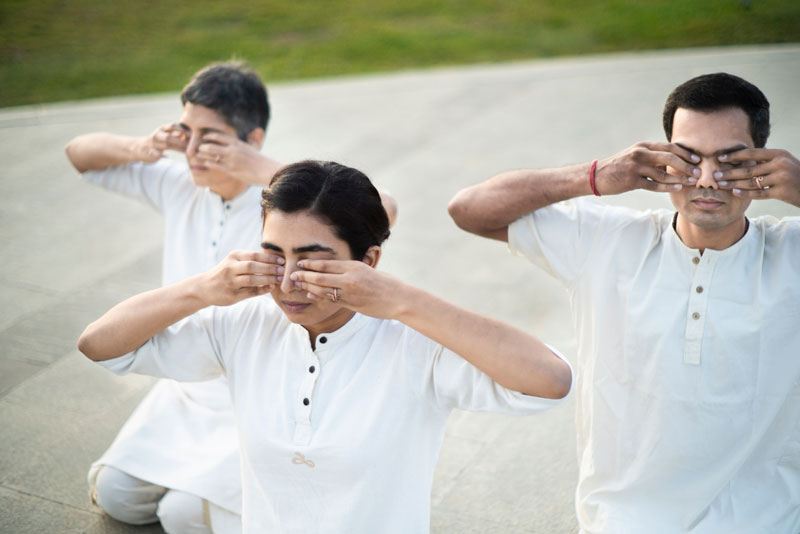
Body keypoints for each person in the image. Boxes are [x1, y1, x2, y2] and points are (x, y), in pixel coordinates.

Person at [77, 159, 573, 533]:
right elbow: (100, 345)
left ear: (368, 260)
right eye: (274, 255)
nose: (289, 281)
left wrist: (401, 299)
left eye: (312, 261)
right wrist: (201, 289)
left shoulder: (416, 341)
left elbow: (549, 380)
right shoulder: (245, 324)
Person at [447, 72, 800, 533]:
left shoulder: (790, 252)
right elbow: (468, 209)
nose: (708, 181)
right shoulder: (607, 242)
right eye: (689, 159)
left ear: (764, 162)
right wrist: (596, 175)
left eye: (731, 162)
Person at [65, 62, 397, 533]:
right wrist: (145, 147)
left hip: (255, 381)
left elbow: (381, 206)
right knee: (117, 496)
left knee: (181, 514)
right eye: (187, 134)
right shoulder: (179, 183)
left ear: (252, 138)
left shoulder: (282, 210)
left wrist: (264, 170)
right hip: (183, 379)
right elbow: (78, 153)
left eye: (211, 138)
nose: (195, 150)